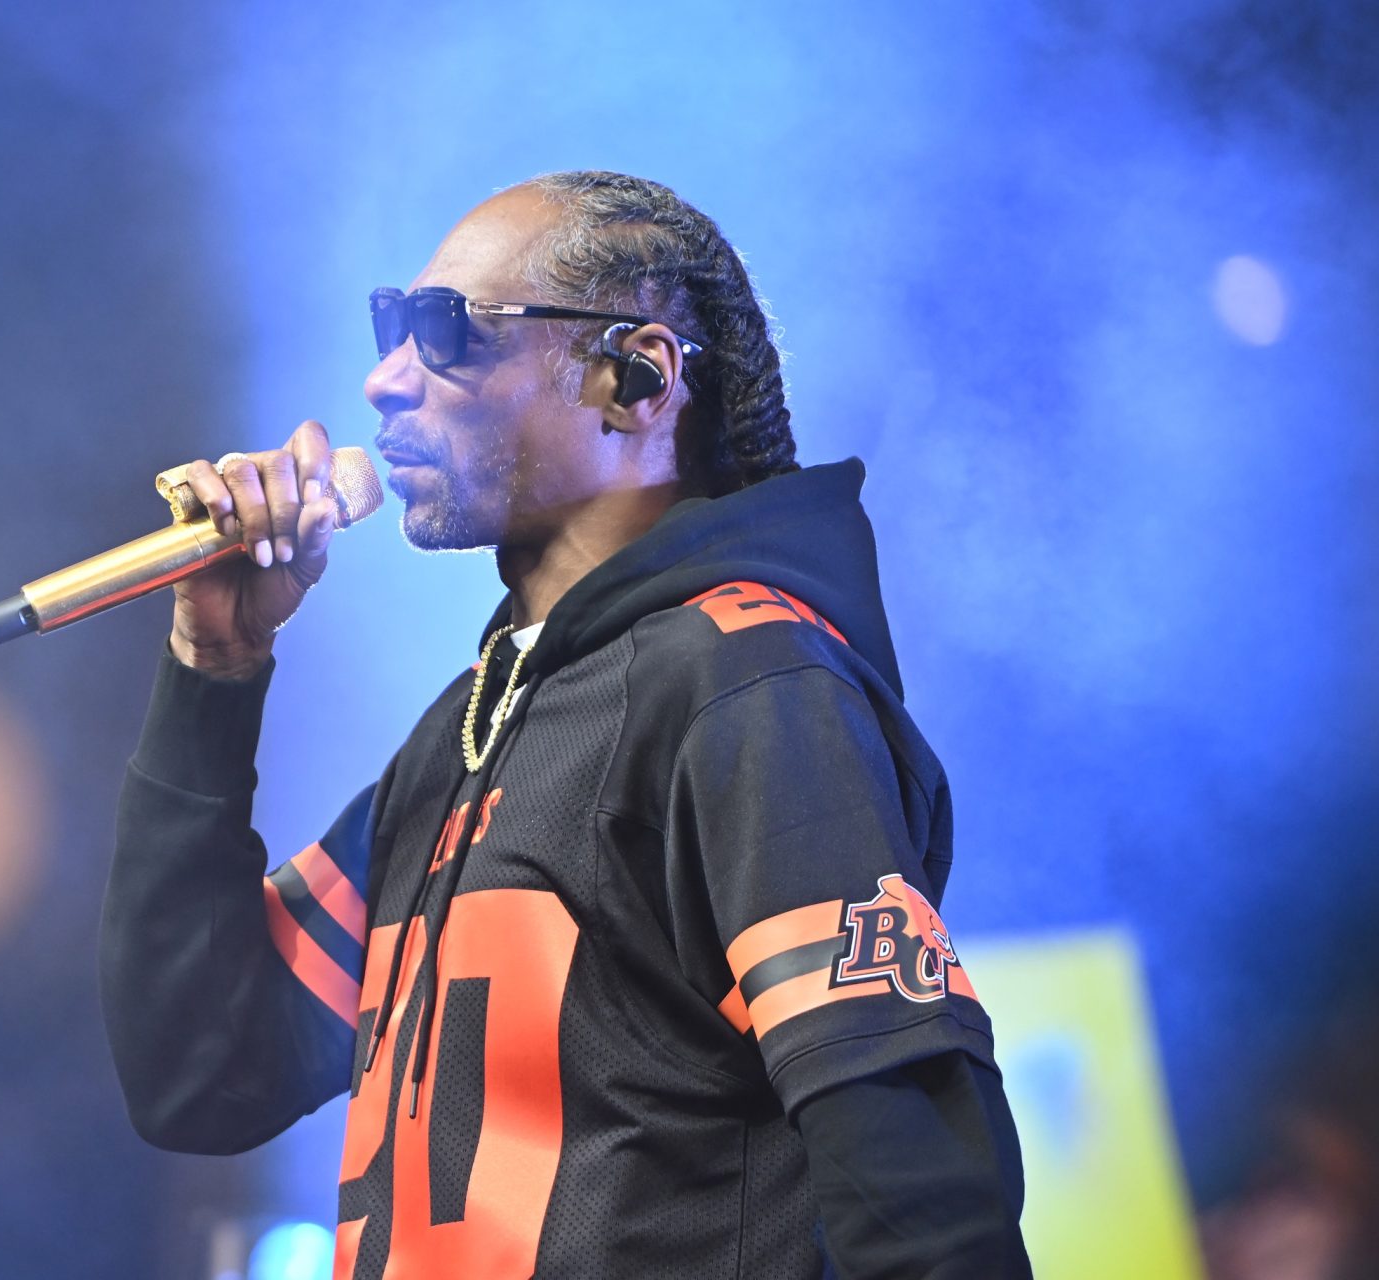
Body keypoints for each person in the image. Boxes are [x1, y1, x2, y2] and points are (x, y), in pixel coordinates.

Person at [99, 171, 1031, 1279]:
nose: (384, 378)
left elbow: (918, 1193)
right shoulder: (470, 727)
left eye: (448, 332)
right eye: (392, 326)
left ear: (636, 378)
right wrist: (218, 666)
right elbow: (202, 1068)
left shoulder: (750, 679)